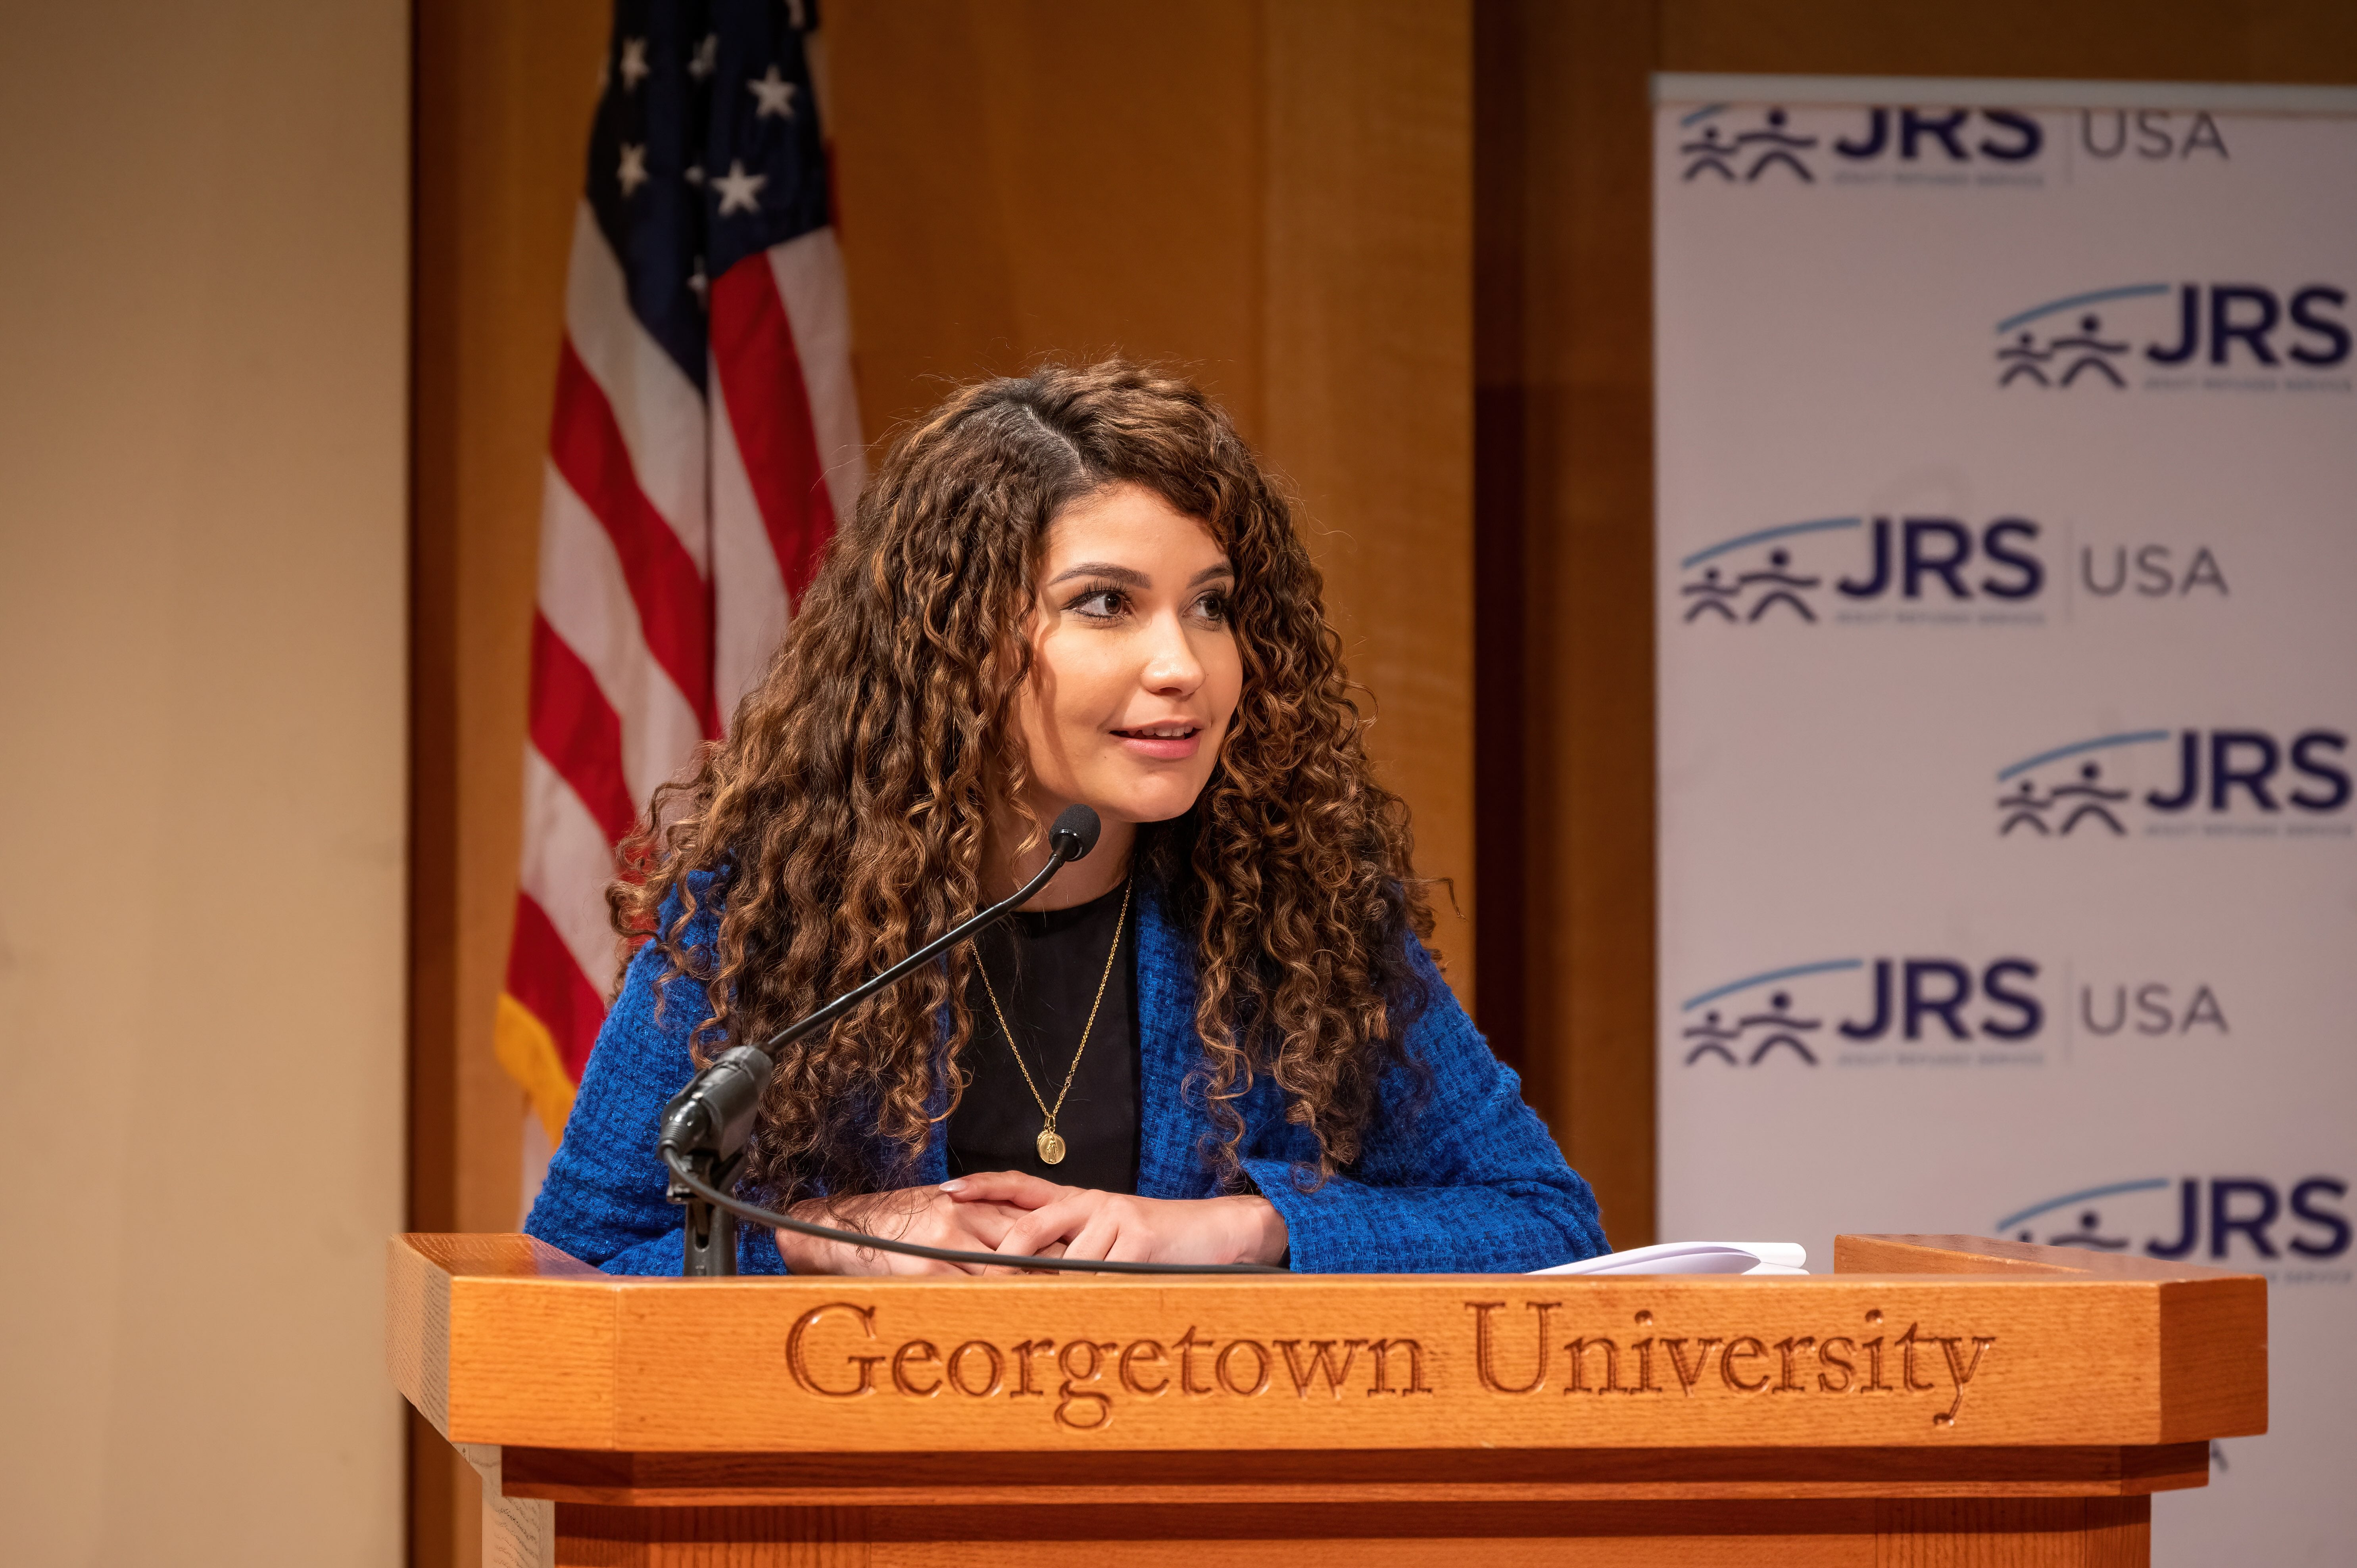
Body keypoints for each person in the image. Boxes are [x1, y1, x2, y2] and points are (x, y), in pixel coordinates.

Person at [524, 361, 1608, 1276]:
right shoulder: (770, 913)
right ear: (961, 640)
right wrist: (825, 1239)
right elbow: (579, 1261)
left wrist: (1242, 1227)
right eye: (1106, 604)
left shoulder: (1300, 909)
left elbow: (1543, 1219)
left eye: (1212, 606)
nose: (1184, 666)